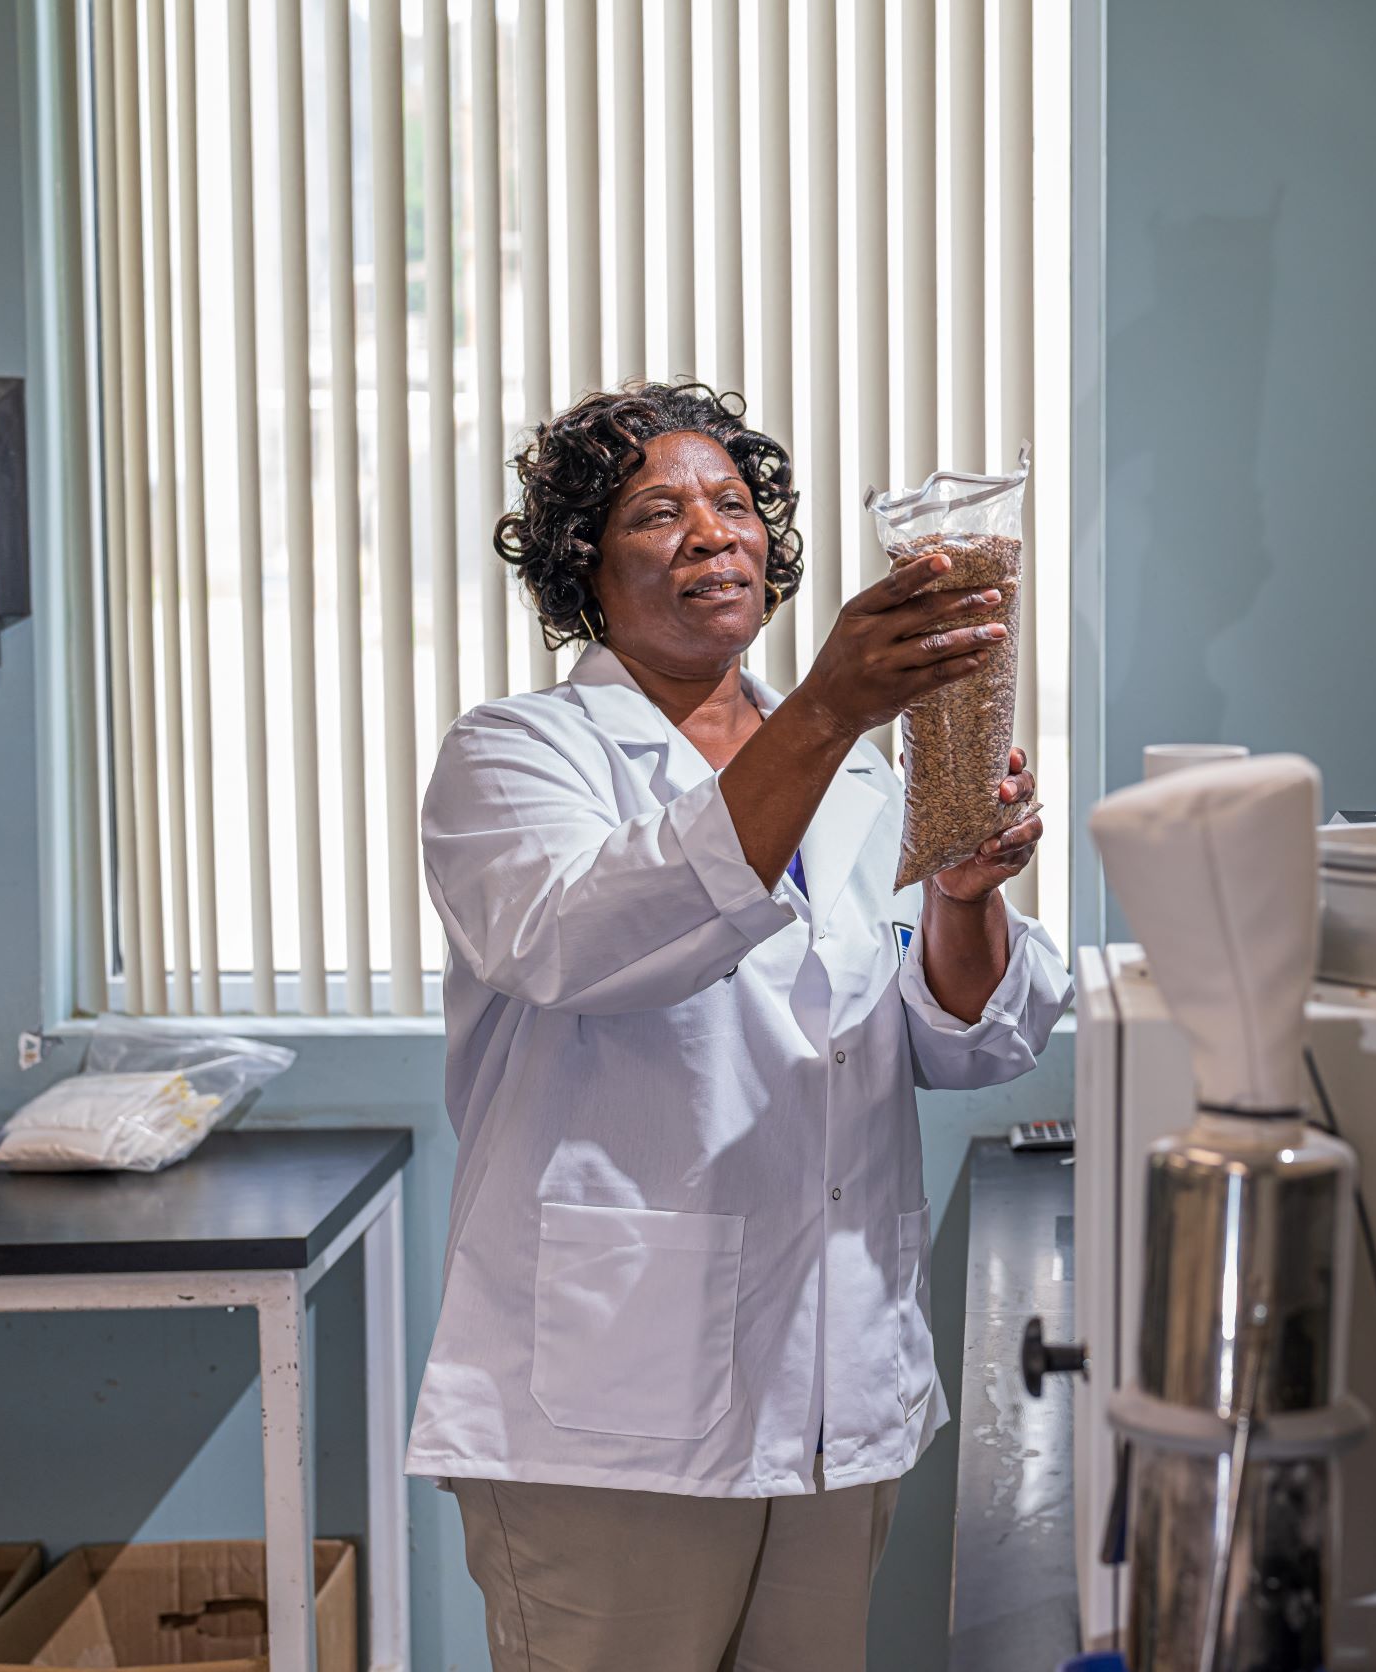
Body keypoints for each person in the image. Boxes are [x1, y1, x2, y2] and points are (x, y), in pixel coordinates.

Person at [407, 381, 1070, 1672]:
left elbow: (959, 1040)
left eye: (735, 503)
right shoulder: (515, 760)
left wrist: (961, 896)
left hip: (830, 1384)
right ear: (584, 574)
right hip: (615, 1407)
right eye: (660, 512)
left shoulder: (860, 778)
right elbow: (589, 940)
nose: (714, 531)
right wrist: (828, 707)